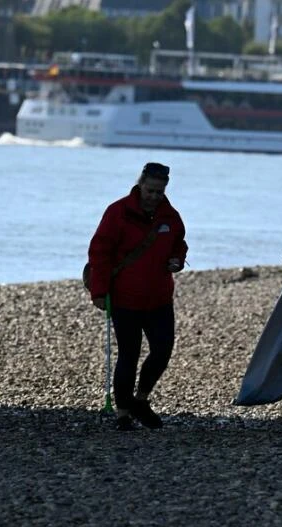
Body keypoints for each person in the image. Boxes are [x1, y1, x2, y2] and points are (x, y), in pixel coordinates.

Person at [87, 162, 188, 431]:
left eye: (159, 191)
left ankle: (140, 399)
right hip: (124, 298)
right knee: (128, 354)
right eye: (150, 190)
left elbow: (179, 243)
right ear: (140, 184)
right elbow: (100, 253)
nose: (154, 196)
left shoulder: (170, 216)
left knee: (162, 350)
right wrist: (99, 291)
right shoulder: (118, 212)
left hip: (159, 299)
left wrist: (177, 260)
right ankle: (122, 412)